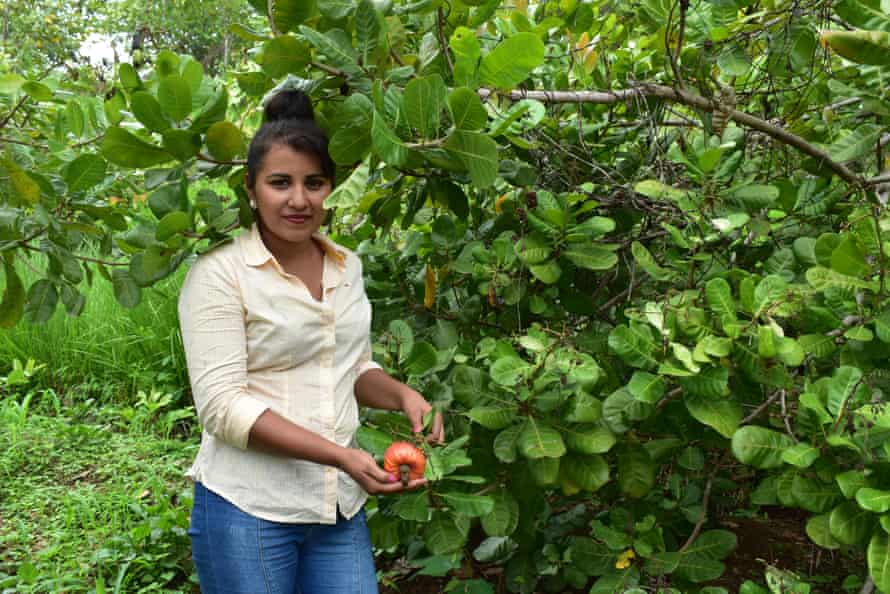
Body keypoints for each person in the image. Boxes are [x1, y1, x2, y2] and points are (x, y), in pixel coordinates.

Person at [178, 87, 444, 594]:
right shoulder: (220, 275)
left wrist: (406, 397)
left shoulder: (347, 265)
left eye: (313, 183)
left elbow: (352, 367)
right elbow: (223, 408)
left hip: (337, 507)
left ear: (330, 189)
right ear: (251, 189)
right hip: (248, 509)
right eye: (280, 183)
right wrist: (341, 456)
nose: (298, 200)